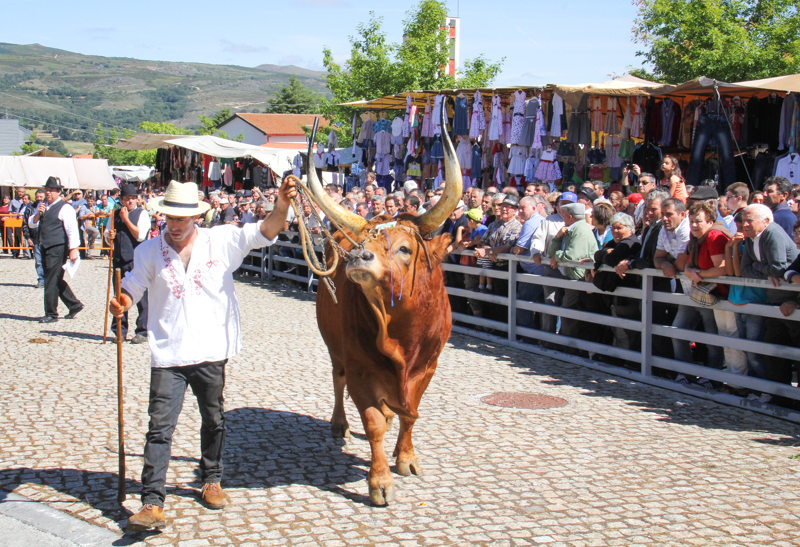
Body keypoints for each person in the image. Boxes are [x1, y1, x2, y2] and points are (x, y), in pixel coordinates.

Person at [109, 178, 297, 531]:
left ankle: (211, 479)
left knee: (214, 419)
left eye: (182, 219)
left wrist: (283, 204)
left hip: (211, 348)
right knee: (159, 427)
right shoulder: (148, 251)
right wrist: (123, 299)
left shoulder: (221, 240)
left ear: (196, 216)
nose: (175, 226)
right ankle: (151, 501)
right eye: (170, 219)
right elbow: (134, 283)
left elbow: (267, 229)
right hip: (168, 350)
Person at [739, 204, 799, 399]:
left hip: (791, 302)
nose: (745, 224)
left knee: (794, 353)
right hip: (774, 302)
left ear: (765, 221)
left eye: (750, 220)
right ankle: (781, 397)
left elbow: (779, 269)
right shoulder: (750, 237)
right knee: (774, 352)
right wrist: (764, 268)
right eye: (744, 220)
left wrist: (759, 266)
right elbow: (744, 269)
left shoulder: (772, 233)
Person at [674, 201, 736, 388]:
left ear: (709, 221)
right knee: (678, 330)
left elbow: (723, 268)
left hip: (716, 293)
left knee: (712, 337)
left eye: (698, 221)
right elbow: (687, 265)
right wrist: (690, 271)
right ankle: (686, 373)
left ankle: (713, 377)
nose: (693, 225)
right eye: (691, 221)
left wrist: (699, 274)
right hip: (700, 291)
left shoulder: (714, 236)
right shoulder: (696, 239)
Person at [28, 177, 83, 323]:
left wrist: (73, 249)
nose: (48, 193)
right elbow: (32, 224)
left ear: (59, 192)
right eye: (47, 190)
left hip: (58, 247)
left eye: (52, 190)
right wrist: (39, 213)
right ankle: (74, 304)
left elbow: (72, 230)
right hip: (45, 245)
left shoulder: (65, 208)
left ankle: (51, 313)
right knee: (55, 278)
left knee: (50, 280)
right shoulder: (43, 206)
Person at [547, 201, 598, 343]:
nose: (563, 218)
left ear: (570, 217)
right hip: (569, 276)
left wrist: (557, 257)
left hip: (577, 278)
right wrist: (557, 237)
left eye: (564, 216)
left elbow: (572, 256)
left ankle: (570, 345)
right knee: (567, 310)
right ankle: (567, 343)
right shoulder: (570, 229)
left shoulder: (580, 230)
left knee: (569, 310)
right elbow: (550, 252)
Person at [106, 183, 150, 344]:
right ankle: (119, 330)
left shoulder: (142, 214)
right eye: (127, 199)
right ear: (122, 200)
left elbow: (139, 235)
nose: (130, 201)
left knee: (141, 297)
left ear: (137, 199)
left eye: (133, 198)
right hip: (119, 258)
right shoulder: (114, 213)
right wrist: (109, 236)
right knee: (119, 296)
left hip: (136, 260)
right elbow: (107, 233)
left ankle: (143, 330)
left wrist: (125, 219)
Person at [23, 189, 46, 287]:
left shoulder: (49, 206)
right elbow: (25, 223)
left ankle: (50, 279)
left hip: (47, 237)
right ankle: (41, 279)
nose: (39, 199)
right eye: (37, 197)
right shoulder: (30, 207)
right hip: (35, 237)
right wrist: (28, 237)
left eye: (41, 197)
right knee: (38, 260)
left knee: (48, 260)